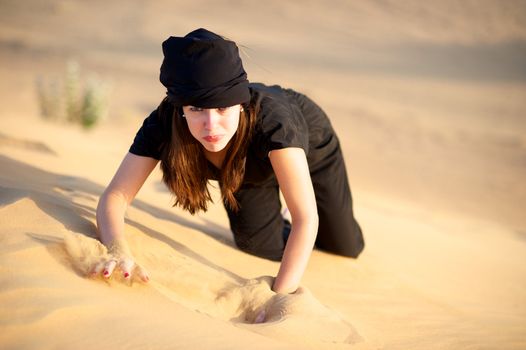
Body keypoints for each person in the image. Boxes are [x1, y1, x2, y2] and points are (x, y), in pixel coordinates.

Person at [94, 28, 364, 294]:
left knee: (345, 246)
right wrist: (117, 250)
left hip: (311, 148)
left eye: (222, 108)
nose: (211, 125)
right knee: (260, 248)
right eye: (196, 109)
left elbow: (306, 218)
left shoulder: (276, 122)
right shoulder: (164, 121)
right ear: (181, 109)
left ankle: (291, 195)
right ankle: (278, 211)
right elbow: (116, 196)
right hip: (246, 171)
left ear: (240, 104)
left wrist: (279, 297)